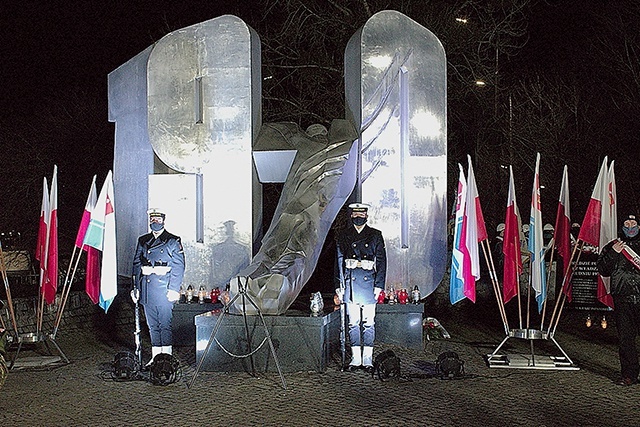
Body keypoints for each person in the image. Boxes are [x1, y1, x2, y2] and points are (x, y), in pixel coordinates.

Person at [334, 203, 387, 372]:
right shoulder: (343, 235)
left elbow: (382, 261)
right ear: (351, 216)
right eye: (355, 213)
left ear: (366, 215)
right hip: (350, 284)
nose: (358, 217)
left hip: (368, 284)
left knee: (369, 323)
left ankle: (368, 359)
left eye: (361, 214)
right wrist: (339, 285)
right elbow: (339, 261)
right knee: (353, 323)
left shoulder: (375, 235)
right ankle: (356, 359)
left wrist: (379, 285)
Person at [132, 209, 186, 366]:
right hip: (147, 290)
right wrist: (135, 287)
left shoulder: (172, 241)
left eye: (158, 220)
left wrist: (173, 288)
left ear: (163, 221)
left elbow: (179, 266)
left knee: (164, 324)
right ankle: (156, 357)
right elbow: (136, 264)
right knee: (152, 325)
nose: (155, 223)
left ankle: (167, 358)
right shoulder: (143, 240)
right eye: (152, 220)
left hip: (164, 289)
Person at [597, 214, 640, 386]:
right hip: (622, 298)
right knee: (626, 339)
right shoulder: (612, 246)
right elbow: (602, 269)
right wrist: (613, 254)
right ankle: (629, 374)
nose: (630, 226)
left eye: (634, 223)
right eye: (627, 223)